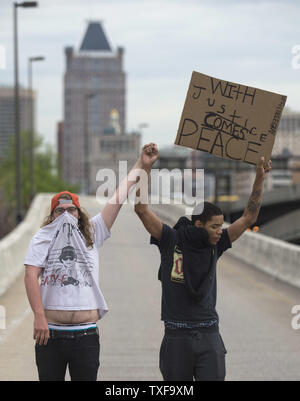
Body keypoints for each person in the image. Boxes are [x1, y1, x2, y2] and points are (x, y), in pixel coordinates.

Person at [134, 143, 272, 381]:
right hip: (176, 338)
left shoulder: (215, 245)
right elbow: (141, 209)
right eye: (215, 226)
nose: (220, 231)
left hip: (209, 335)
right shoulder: (170, 239)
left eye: (221, 226)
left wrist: (259, 177)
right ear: (199, 225)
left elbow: (249, 217)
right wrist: (146, 168)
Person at [24, 145, 151, 381]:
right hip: (50, 334)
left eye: (70, 210)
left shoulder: (92, 232)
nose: (65, 214)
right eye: (59, 211)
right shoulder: (42, 238)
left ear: (78, 212)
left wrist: (141, 164)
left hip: (86, 335)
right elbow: (31, 275)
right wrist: (39, 316)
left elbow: (119, 196)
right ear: (52, 216)